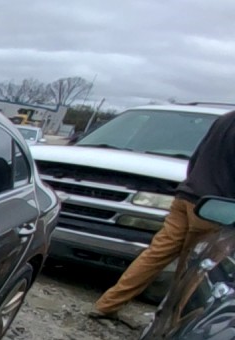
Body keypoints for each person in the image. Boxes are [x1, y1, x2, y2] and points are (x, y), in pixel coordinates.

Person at [91, 109, 235, 318]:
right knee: (195, 271)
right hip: (215, 208)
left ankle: (106, 305)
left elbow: (196, 158)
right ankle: (173, 325)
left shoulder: (225, 119)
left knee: (156, 255)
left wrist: (193, 184)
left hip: (188, 195)